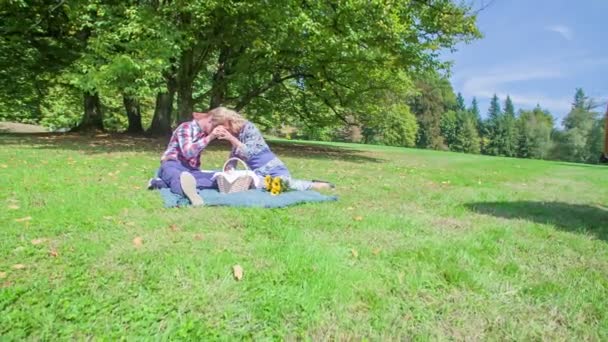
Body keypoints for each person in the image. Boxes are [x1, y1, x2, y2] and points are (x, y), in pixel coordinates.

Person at [207, 107, 334, 191]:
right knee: (256, 185)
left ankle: (317, 185)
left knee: (282, 186)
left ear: (229, 121)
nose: (223, 129)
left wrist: (230, 138)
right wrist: (231, 166)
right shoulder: (236, 133)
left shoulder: (249, 128)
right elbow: (236, 152)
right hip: (258, 172)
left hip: (273, 169)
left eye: (222, 125)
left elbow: (249, 153)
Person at [149, 111, 221, 206]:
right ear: (209, 121)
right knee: (176, 176)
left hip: (191, 170)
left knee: (217, 179)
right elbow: (187, 152)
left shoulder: (203, 134)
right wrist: (210, 137)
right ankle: (190, 194)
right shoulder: (186, 127)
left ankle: (159, 183)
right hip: (173, 163)